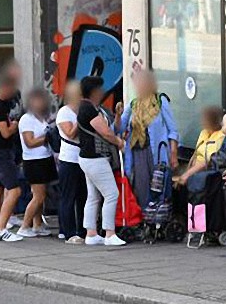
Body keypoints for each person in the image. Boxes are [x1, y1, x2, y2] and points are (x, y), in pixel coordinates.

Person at [76, 76, 127, 246]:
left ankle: (91, 233)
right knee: (111, 194)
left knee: (94, 196)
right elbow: (105, 132)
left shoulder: (87, 107)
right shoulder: (88, 109)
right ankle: (109, 233)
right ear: (94, 91)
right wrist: (119, 142)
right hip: (95, 158)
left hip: (87, 157)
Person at [118, 70, 179, 207]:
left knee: (160, 185)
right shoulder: (133, 104)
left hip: (158, 152)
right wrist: (117, 115)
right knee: (141, 186)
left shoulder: (160, 100)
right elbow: (119, 128)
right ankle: (146, 218)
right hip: (138, 152)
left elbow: (173, 130)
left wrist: (173, 154)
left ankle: (160, 218)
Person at [0, 75, 24, 242]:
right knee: (15, 190)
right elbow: (5, 132)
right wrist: (15, 125)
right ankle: (2, 228)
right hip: (1, 153)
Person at [16, 88, 58, 238]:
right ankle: (25, 225)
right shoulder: (26, 119)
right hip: (33, 161)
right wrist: (47, 138)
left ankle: (37, 224)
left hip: (45, 158)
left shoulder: (42, 118)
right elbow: (30, 142)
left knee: (41, 194)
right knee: (38, 196)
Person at [56, 80, 86, 244]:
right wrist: (81, 118)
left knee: (83, 196)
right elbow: (70, 133)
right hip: (69, 159)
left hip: (83, 159)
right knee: (68, 196)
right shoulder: (64, 112)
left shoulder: (83, 110)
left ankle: (82, 229)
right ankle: (67, 231)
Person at [177, 106, 225, 185]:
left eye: (205, 119)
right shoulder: (204, 132)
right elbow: (195, 155)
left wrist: (186, 175)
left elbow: (207, 161)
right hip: (194, 172)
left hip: (207, 175)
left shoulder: (221, 136)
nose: (202, 122)